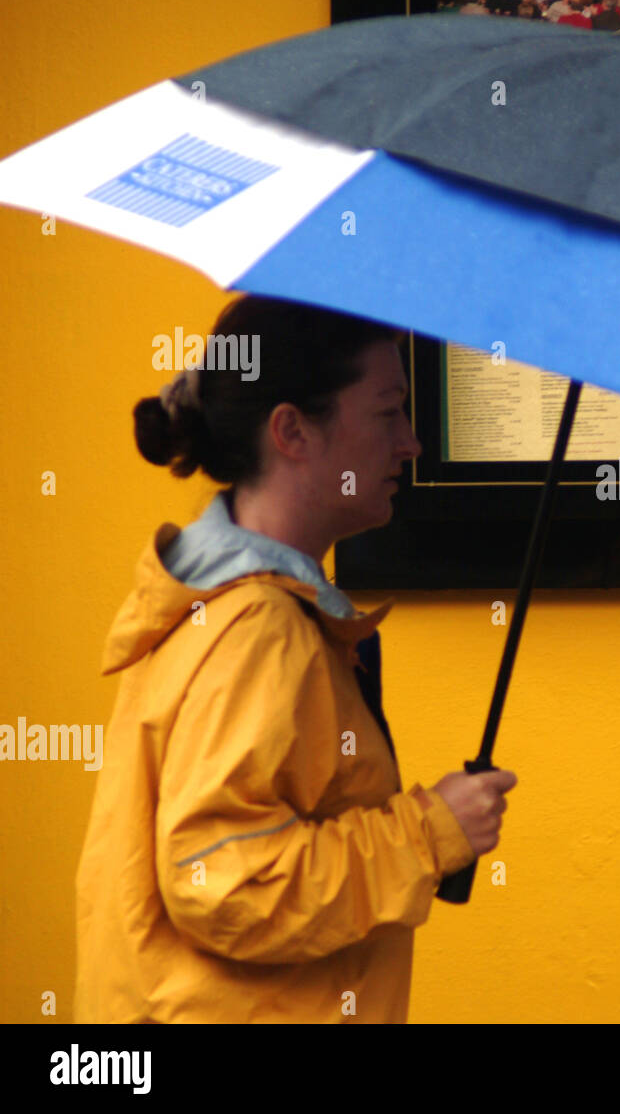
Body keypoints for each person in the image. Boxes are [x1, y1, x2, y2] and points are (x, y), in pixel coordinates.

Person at [74, 295, 518, 1023]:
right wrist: (430, 833)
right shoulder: (258, 627)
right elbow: (221, 879)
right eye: (387, 413)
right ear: (292, 432)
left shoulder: (219, 603)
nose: (410, 443)